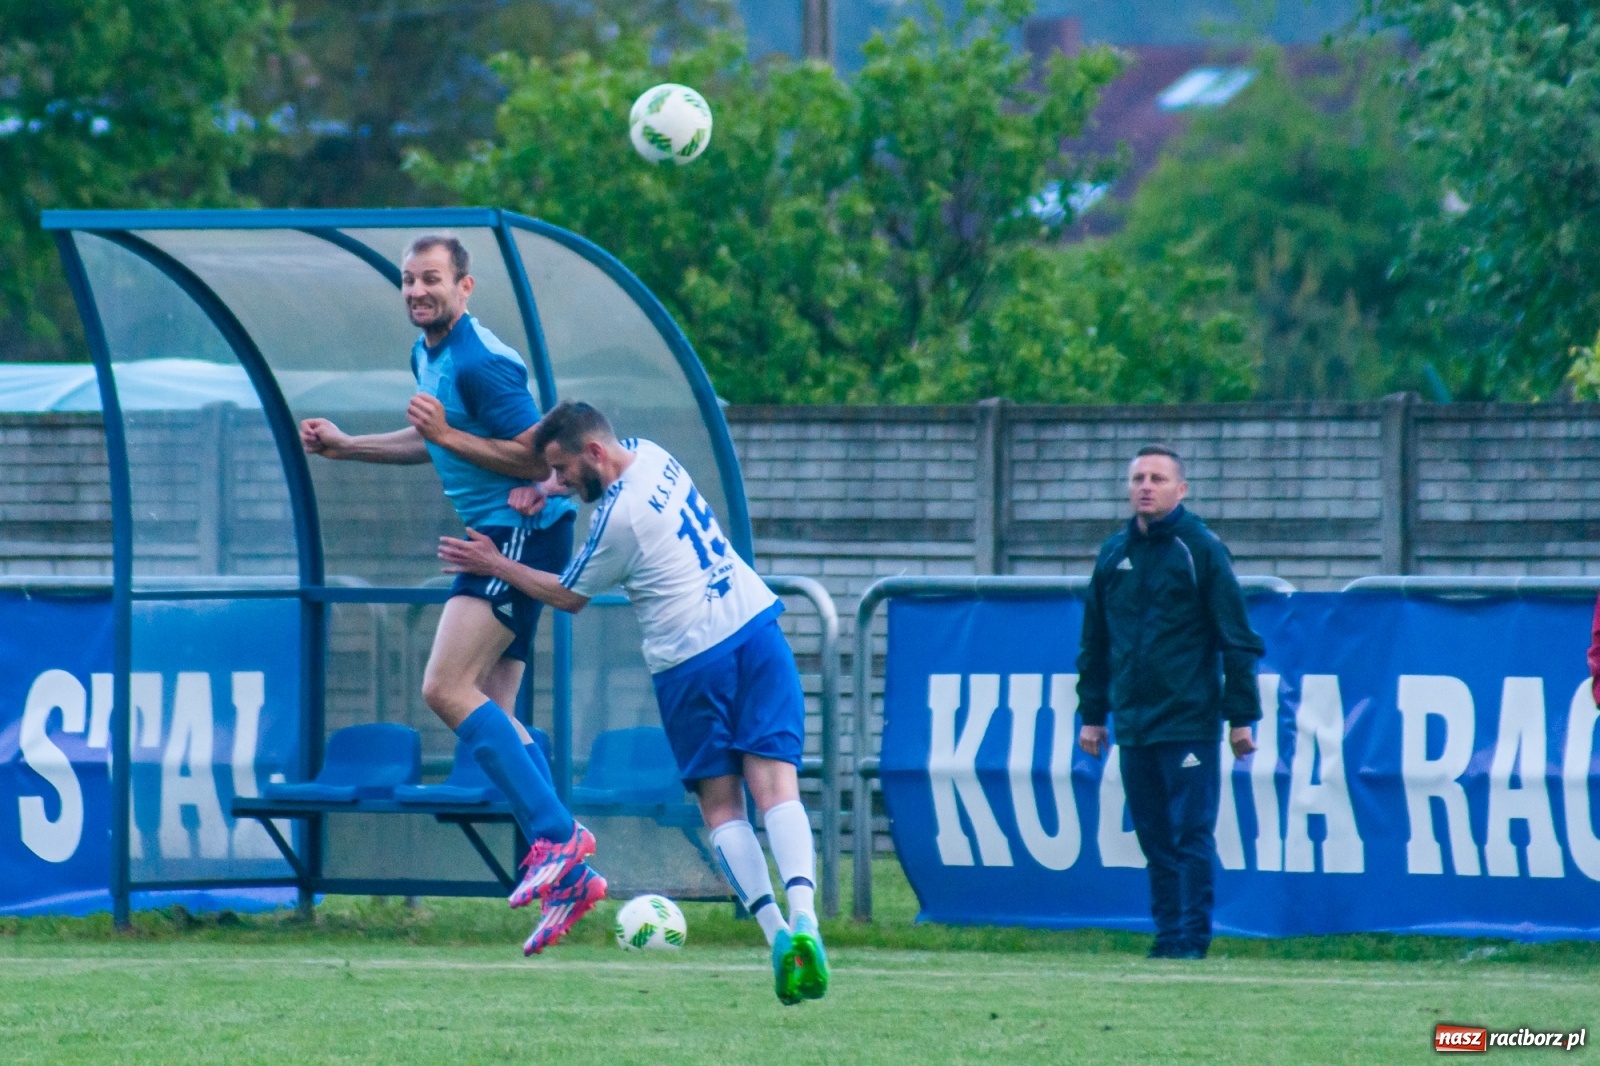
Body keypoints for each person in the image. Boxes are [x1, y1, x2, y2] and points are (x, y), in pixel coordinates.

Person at [437, 400, 829, 1006]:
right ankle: (806, 918)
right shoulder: (654, 454)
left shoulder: (618, 522)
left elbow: (566, 597)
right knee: (778, 788)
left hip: (693, 663)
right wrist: (546, 489)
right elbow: (584, 476)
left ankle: (776, 935)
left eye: (565, 471)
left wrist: (496, 563)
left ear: (594, 453)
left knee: (724, 809)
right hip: (756, 626)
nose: (563, 483)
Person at [298, 235, 601, 955]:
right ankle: (569, 880)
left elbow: (538, 452)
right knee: (491, 713)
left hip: (515, 533)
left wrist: (448, 437)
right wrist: (349, 446)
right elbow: (433, 437)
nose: (415, 291)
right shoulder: (427, 354)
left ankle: (560, 837)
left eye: (430, 279)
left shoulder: (480, 360)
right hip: (504, 533)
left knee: (442, 686)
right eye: (407, 281)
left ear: (465, 288)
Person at [1075, 444, 1264, 960]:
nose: (1146, 486)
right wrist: (1093, 715)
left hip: (1188, 720)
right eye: (1138, 477)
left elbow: (1237, 638)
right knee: (1154, 838)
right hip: (1134, 725)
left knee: (1190, 833)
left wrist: (1241, 716)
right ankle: (1167, 933)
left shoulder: (1200, 549)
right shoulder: (1114, 554)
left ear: (1181, 490)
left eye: (1158, 478)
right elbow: (1094, 643)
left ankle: (1192, 937)